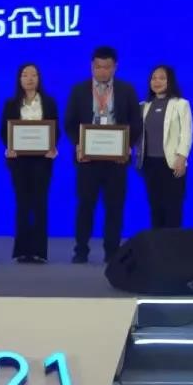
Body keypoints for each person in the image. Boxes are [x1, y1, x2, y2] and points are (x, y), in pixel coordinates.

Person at [63, 46, 143, 264]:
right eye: (98, 67)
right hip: (87, 160)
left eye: (107, 67)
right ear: (92, 66)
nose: (102, 71)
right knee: (85, 206)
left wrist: (127, 146)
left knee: (114, 207)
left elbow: (136, 123)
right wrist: (79, 144)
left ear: (115, 67)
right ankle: (81, 250)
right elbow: (69, 123)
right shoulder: (79, 90)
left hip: (116, 161)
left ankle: (112, 251)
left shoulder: (126, 90)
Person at [0, 63, 59, 263]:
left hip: (42, 161)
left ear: (39, 78)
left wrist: (52, 146)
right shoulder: (11, 104)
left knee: (40, 204)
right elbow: (4, 132)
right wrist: (10, 146)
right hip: (19, 161)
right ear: (19, 79)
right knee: (23, 204)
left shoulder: (49, 103)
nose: (30, 79)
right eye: (25, 75)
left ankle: (40, 251)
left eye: (34, 75)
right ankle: (22, 250)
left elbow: (56, 129)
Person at [139, 65, 193, 229]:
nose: (157, 82)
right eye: (154, 78)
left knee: (173, 208)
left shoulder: (181, 104)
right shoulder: (143, 106)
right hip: (149, 163)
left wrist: (182, 158)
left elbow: (187, 133)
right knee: (155, 208)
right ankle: (157, 244)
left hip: (172, 163)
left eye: (162, 78)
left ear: (170, 81)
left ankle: (173, 244)